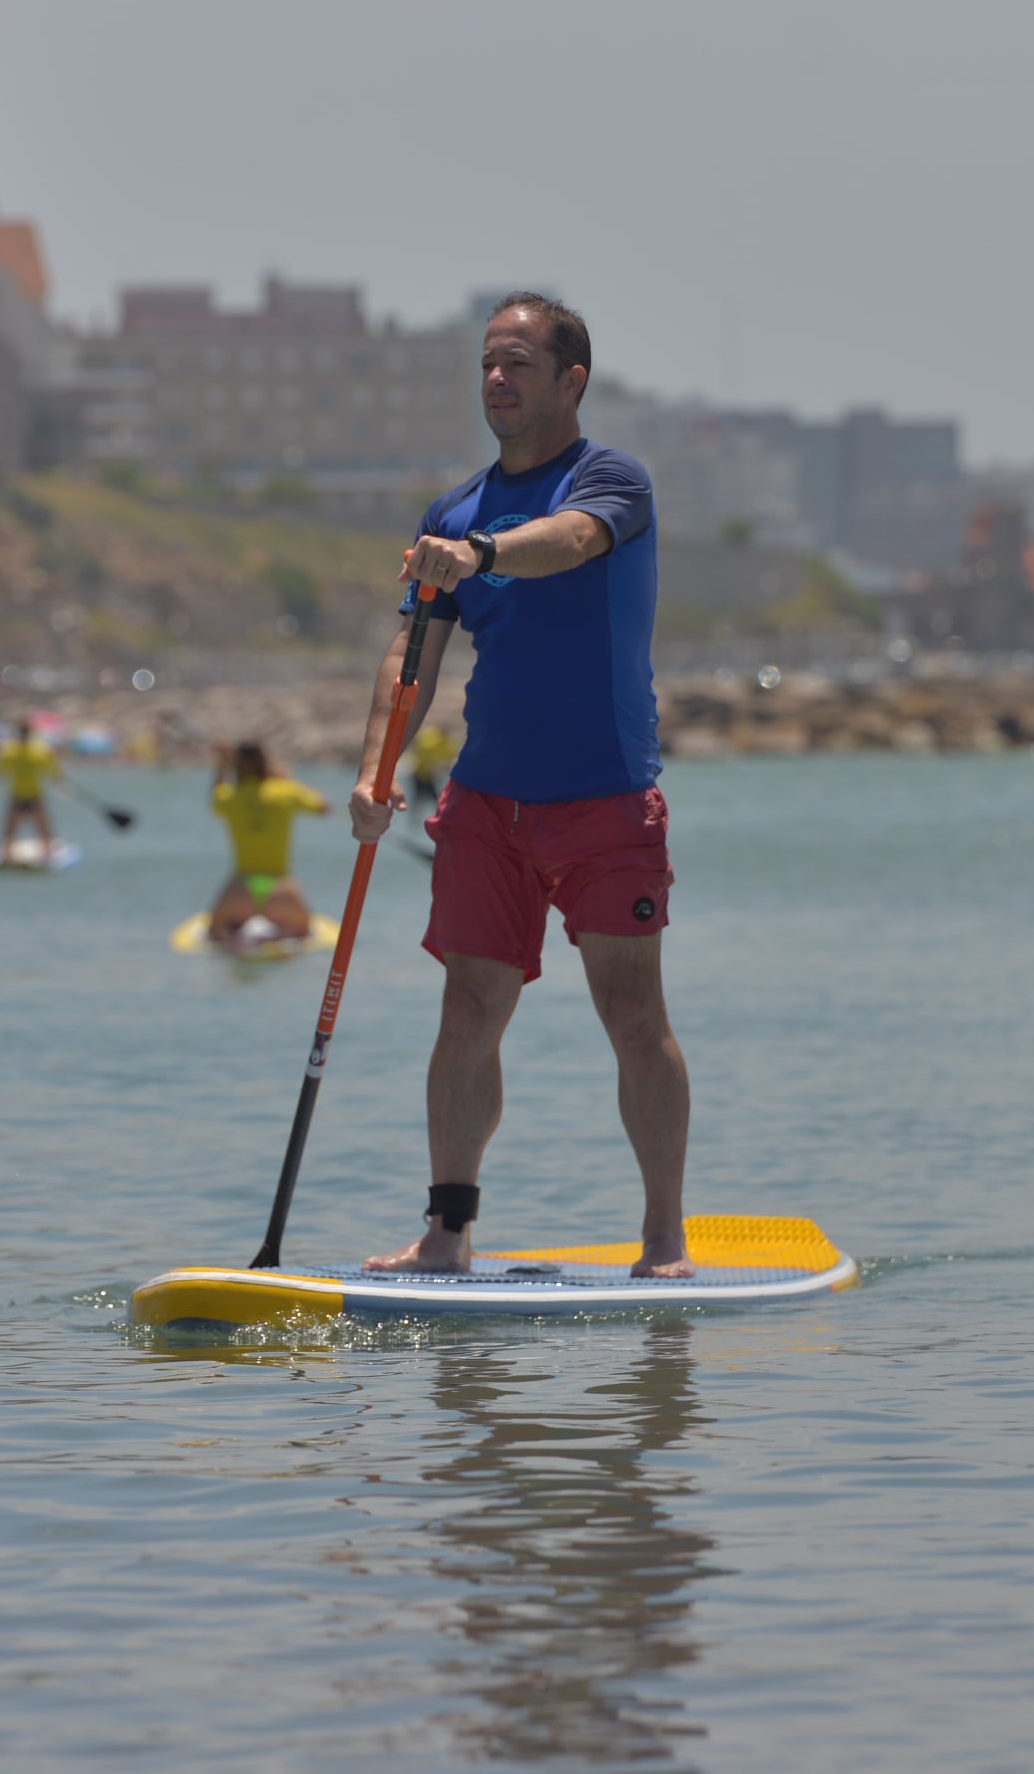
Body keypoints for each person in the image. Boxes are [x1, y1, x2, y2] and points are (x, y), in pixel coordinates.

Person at [346, 293, 695, 1281]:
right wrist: (374, 772)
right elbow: (410, 656)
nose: (496, 382)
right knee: (466, 1012)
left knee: (631, 1017)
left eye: (518, 366)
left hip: (605, 797)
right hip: (486, 804)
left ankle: (663, 1235)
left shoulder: (610, 479)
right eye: (487, 366)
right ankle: (447, 1232)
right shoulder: (449, 512)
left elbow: (574, 540)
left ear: (569, 380)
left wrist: (483, 556)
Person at [208, 741, 328, 949]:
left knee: (215, 932)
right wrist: (288, 780)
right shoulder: (286, 792)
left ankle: (237, 941)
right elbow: (323, 807)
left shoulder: (230, 796)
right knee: (304, 933)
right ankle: (281, 937)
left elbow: (214, 799)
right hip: (281, 891)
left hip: (240, 890)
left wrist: (222, 764)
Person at [0, 717, 60, 864]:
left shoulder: (9, 750)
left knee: (11, 829)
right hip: (33, 794)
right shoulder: (39, 750)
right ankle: (47, 853)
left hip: (18, 794)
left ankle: (7, 855)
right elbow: (53, 772)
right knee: (42, 827)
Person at [406, 720, 456, 839]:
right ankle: (413, 827)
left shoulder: (446, 744)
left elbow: (450, 758)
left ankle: (439, 821)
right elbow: (420, 749)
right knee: (418, 800)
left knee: (435, 799)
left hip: (429, 777)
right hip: (420, 774)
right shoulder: (430, 740)